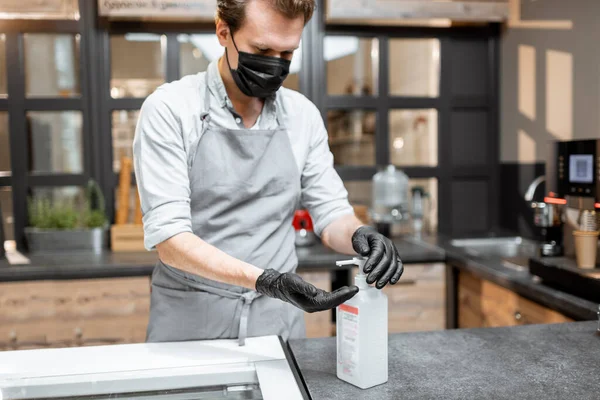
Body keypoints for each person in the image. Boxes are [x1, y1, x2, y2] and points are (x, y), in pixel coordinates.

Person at [133, 0, 404, 345]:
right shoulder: (171, 110)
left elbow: (331, 212)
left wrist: (359, 235)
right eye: (261, 49)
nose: (274, 64)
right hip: (191, 323)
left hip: (277, 323)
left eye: (287, 53)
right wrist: (267, 280)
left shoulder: (301, 116)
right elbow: (171, 241)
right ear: (223, 31)